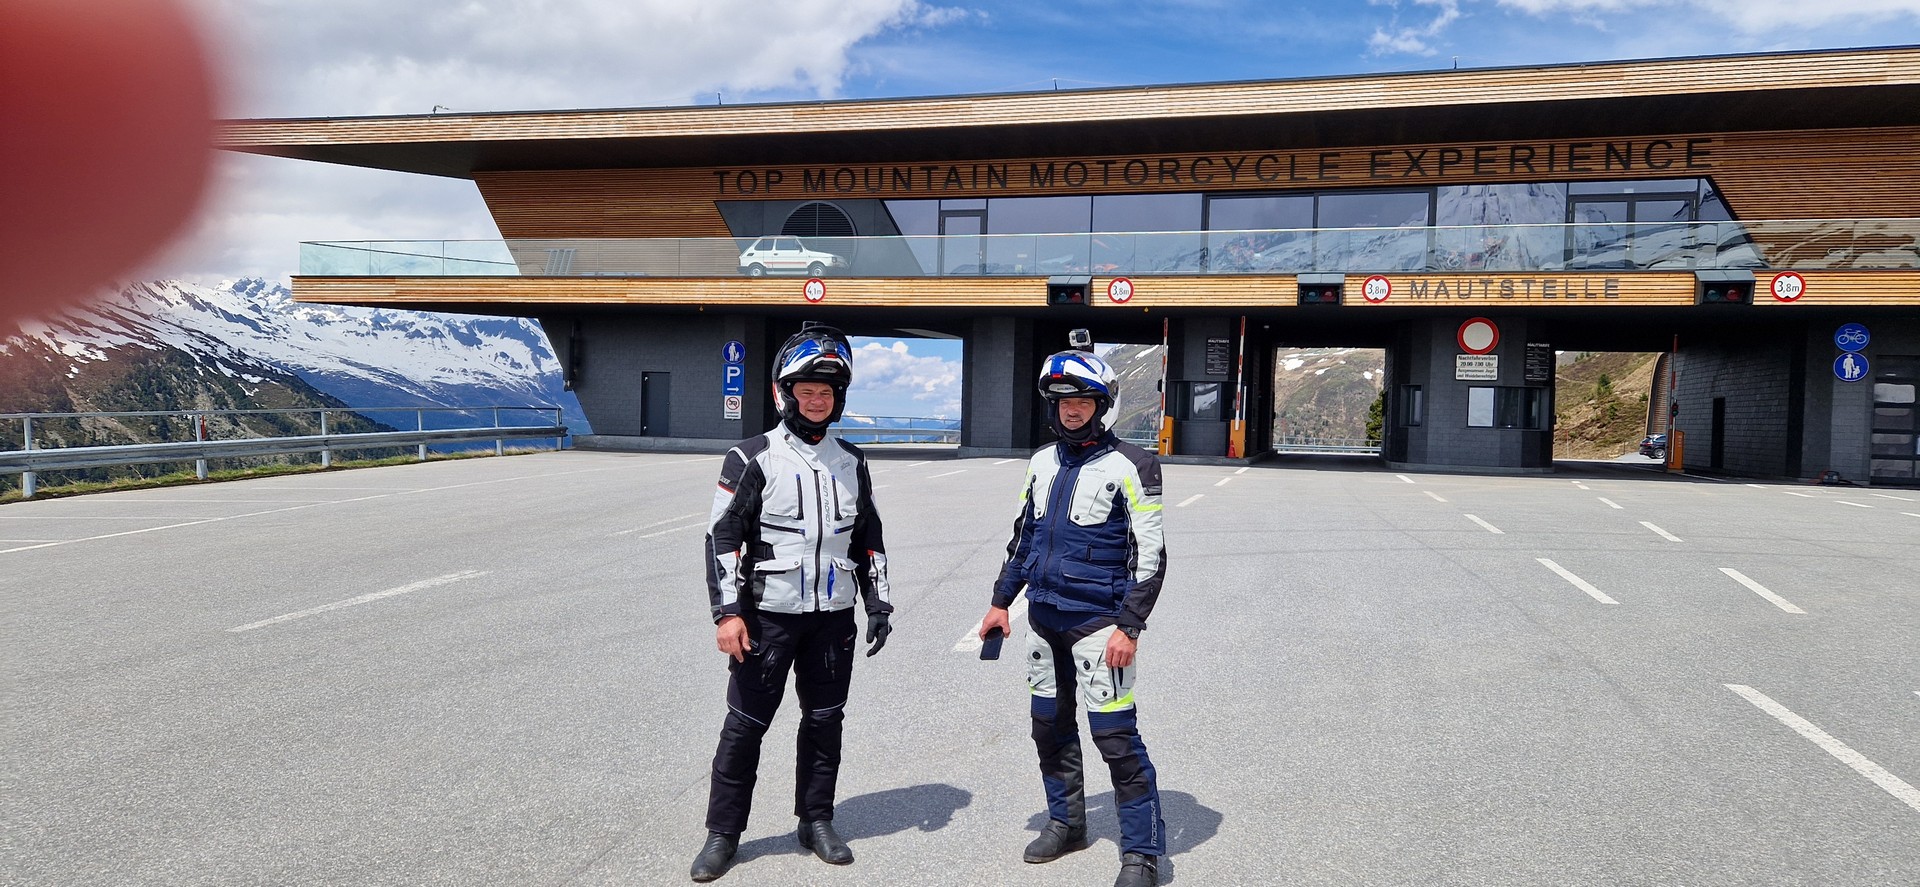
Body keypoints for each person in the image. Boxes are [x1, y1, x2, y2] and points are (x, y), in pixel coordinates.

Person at [691, 324, 894, 883]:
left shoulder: (852, 460)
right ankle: (723, 834)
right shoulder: (751, 457)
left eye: (826, 392)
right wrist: (727, 614)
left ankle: (816, 820)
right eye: (807, 391)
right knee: (744, 727)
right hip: (767, 619)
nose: (817, 400)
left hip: (833, 619)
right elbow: (721, 537)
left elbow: (869, 538)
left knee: (825, 723)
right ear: (786, 394)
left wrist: (879, 602)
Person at [978, 348, 1169, 887]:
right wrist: (1000, 601)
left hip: (1099, 625)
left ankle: (1142, 853)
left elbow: (1151, 556)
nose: (1072, 409)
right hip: (1043, 619)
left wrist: (1130, 627)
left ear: (1102, 406)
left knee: (1116, 738)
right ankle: (1066, 823)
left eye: (1083, 401)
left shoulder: (1135, 464)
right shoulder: (1041, 462)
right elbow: (1024, 537)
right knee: (1049, 728)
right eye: (1063, 401)